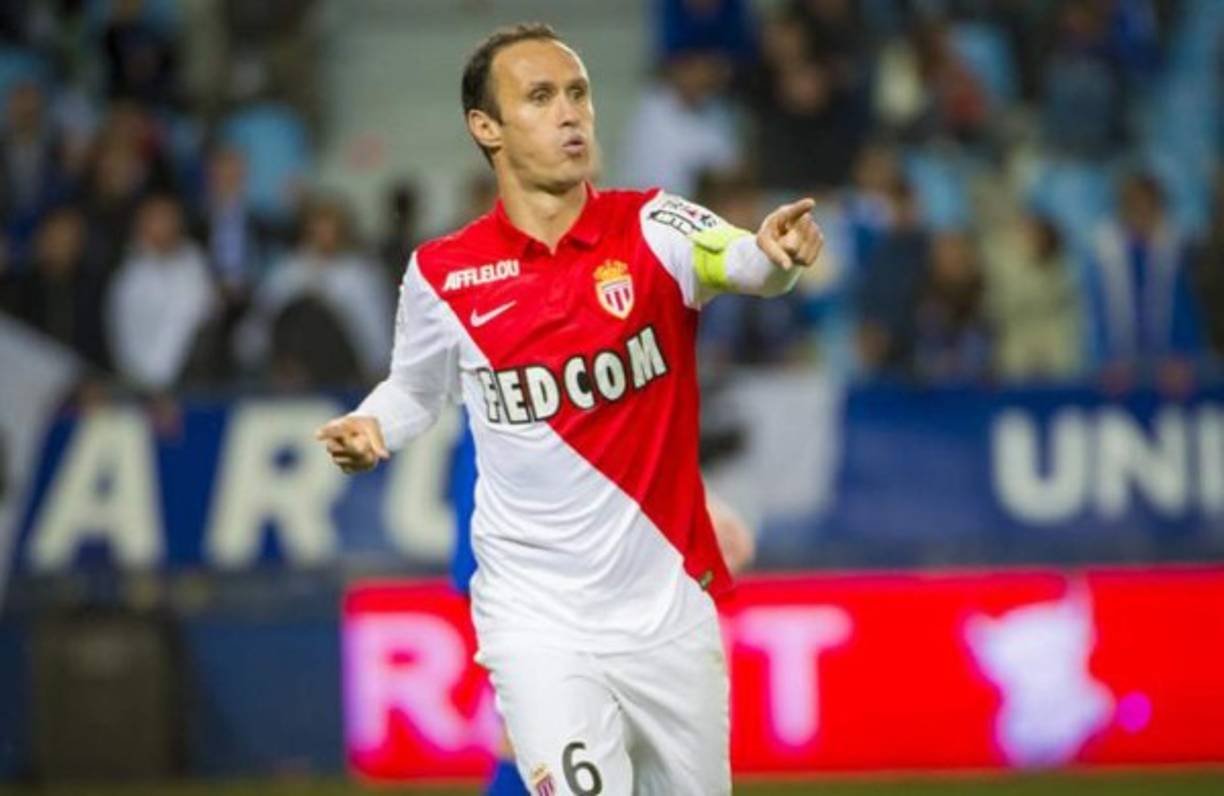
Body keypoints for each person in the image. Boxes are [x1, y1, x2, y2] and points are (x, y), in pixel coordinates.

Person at [316, 23, 823, 795]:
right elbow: (417, 389)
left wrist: (776, 255)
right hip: (537, 621)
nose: (570, 114)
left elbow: (742, 259)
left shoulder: (654, 226)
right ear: (486, 127)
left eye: (579, 93)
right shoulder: (443, 274)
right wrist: (374, 426)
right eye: (541, 97)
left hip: (665, 615)